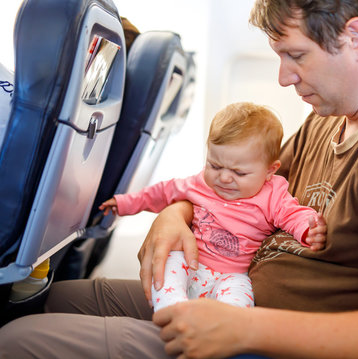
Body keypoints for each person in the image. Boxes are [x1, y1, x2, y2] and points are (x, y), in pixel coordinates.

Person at [0, 1, 358, 359]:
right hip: (224, 291)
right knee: (43, 301)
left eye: (295, 56)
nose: (284, 77)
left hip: (261, 335)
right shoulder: (330, 118)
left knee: (15, 344)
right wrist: (176, 213)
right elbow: (234, 189)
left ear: (357, 37)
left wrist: (245, 329)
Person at [99, 101, 326, 311]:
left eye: (239, 172)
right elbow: (161, 192)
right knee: (168, 262)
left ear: (270, 170)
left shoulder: (272, 195)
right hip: (192, 261)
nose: (224, 178)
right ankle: (173, 310)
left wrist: (308, 229)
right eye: (215, 165)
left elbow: (292, 213)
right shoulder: (200, 184)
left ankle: (221, 325)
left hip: (233, 275)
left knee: (240, 300)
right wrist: (124, 203)